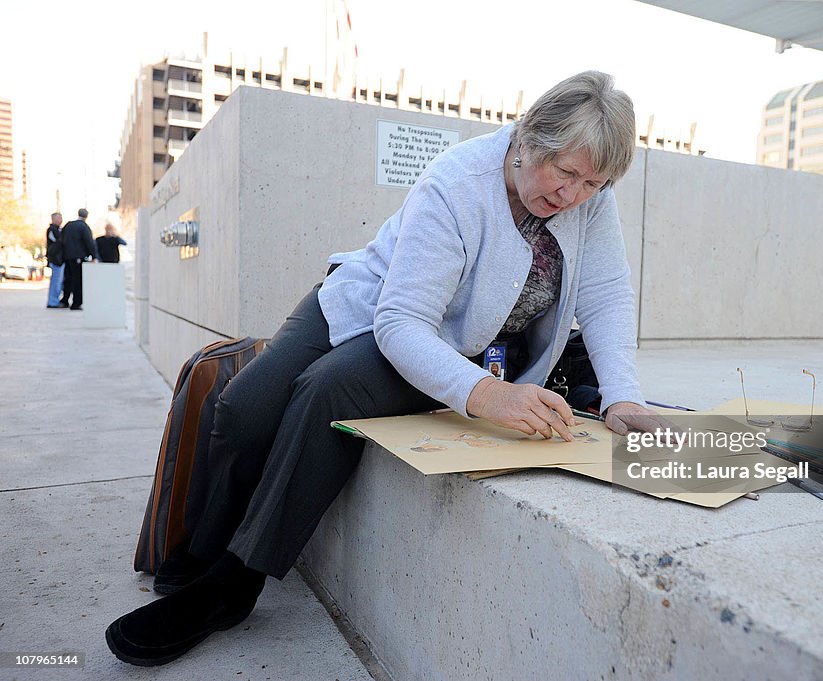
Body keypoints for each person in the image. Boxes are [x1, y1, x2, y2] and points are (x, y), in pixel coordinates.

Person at [105, 71, 663, 666]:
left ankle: (234, 582)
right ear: (528, 139)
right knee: (244, 406)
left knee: (328, 390)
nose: (575, 194)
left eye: (593, 182)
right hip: (369, 303)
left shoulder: (593, 202)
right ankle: (208, 544)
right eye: (566, 173)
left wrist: (620, 397)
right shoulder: (457, 183)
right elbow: (399, 321)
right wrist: (487, 396)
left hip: (451, 343)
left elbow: (604, 294)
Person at [60, 208, 98, 310]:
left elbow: (61, 239)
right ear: (86, 216)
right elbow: (89, 242)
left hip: (67, 257)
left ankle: (65, 300)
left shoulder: (68, 225)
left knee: (68, 279)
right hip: (78, 257)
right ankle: (76, 303)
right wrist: (93, 256)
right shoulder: (83, 227)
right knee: (78, 280)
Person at [45, 213, 64, 308]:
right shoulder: (52, 230)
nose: (61, 219)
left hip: (59, 259)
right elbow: (57, 243)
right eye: (59, 218)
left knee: (59, 282)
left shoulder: (59, 230)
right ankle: (52, 302)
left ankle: (55, 300)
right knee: (56, 281)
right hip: (56, 260)